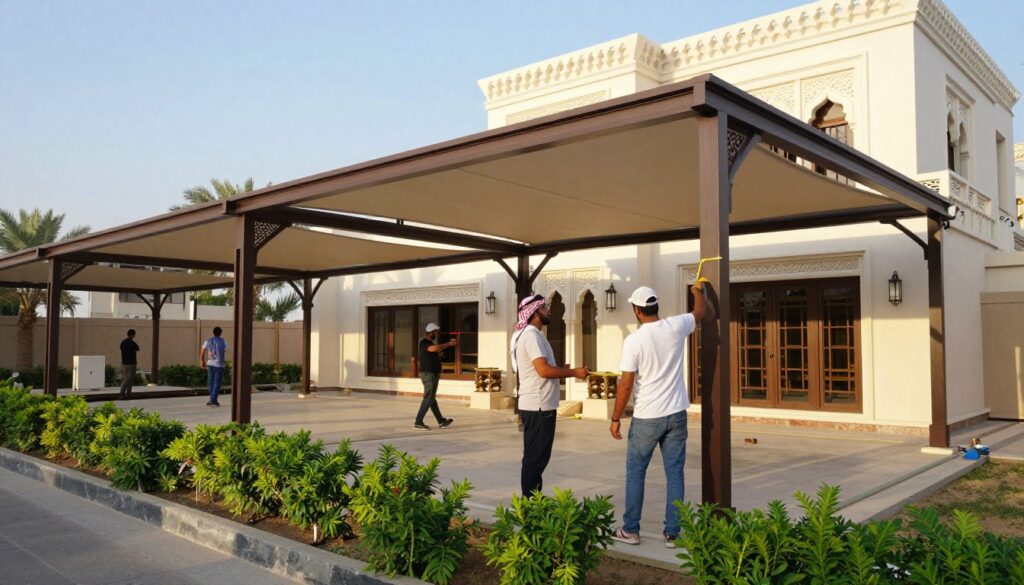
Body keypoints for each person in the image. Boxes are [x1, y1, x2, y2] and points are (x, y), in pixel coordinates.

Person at [609, 284, 705, 548]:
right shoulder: (676, 326)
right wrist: (697, 291)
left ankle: (631, 530)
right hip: (676, 413)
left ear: (637, 311)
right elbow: (699, 312)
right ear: (655, 307)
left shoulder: (635, 341)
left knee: (636, 472)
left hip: (647, 417)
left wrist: (616, 417)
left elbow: (626, 384)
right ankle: (673, 533)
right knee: (675, 473)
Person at [510, 294, 588, 495]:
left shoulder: (529, 334)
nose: (548, 311)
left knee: (535, 459)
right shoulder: (531, 336)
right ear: (534, 312)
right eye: (544, 308)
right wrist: (573, 373)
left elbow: (541, 369)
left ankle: (532, 504)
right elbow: (543, 371)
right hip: (539, 407)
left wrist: (561, 369)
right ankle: (531, 509)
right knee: (535, 460)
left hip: (537, 405)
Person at [414, 322, 455, 430]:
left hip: (433, 374)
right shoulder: (424, 342)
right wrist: (449, 344)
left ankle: (441, 421)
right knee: (428, 398)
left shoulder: (430, 343)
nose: (436, 334)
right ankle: (418, 421)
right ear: (431, 332)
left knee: (431, 399)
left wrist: (439, 354)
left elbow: (436, 351)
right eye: (435, 332)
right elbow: (434, 349)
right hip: (429, 375)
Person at [199, 326, 228, 407]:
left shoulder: (208, 341)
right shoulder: (223, 341)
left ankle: (212, 399)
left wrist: (202, 361)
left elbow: (202, 351)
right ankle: (213, 400)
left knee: (210, 382)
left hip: (210, 364)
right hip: (219, 364)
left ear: (213, 332)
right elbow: (225, 350)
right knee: (217, 383)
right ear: (220, 333)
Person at [118, 329, 140, 399]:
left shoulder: (123, 342)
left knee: (126, 378)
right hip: (131, 363)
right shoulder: (132, 342)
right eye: (134, 335)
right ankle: (123, 393)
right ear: (132, 335)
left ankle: (128, 394)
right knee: (129, 379)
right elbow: (138, 348)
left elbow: (121, 349)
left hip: (124, 363)